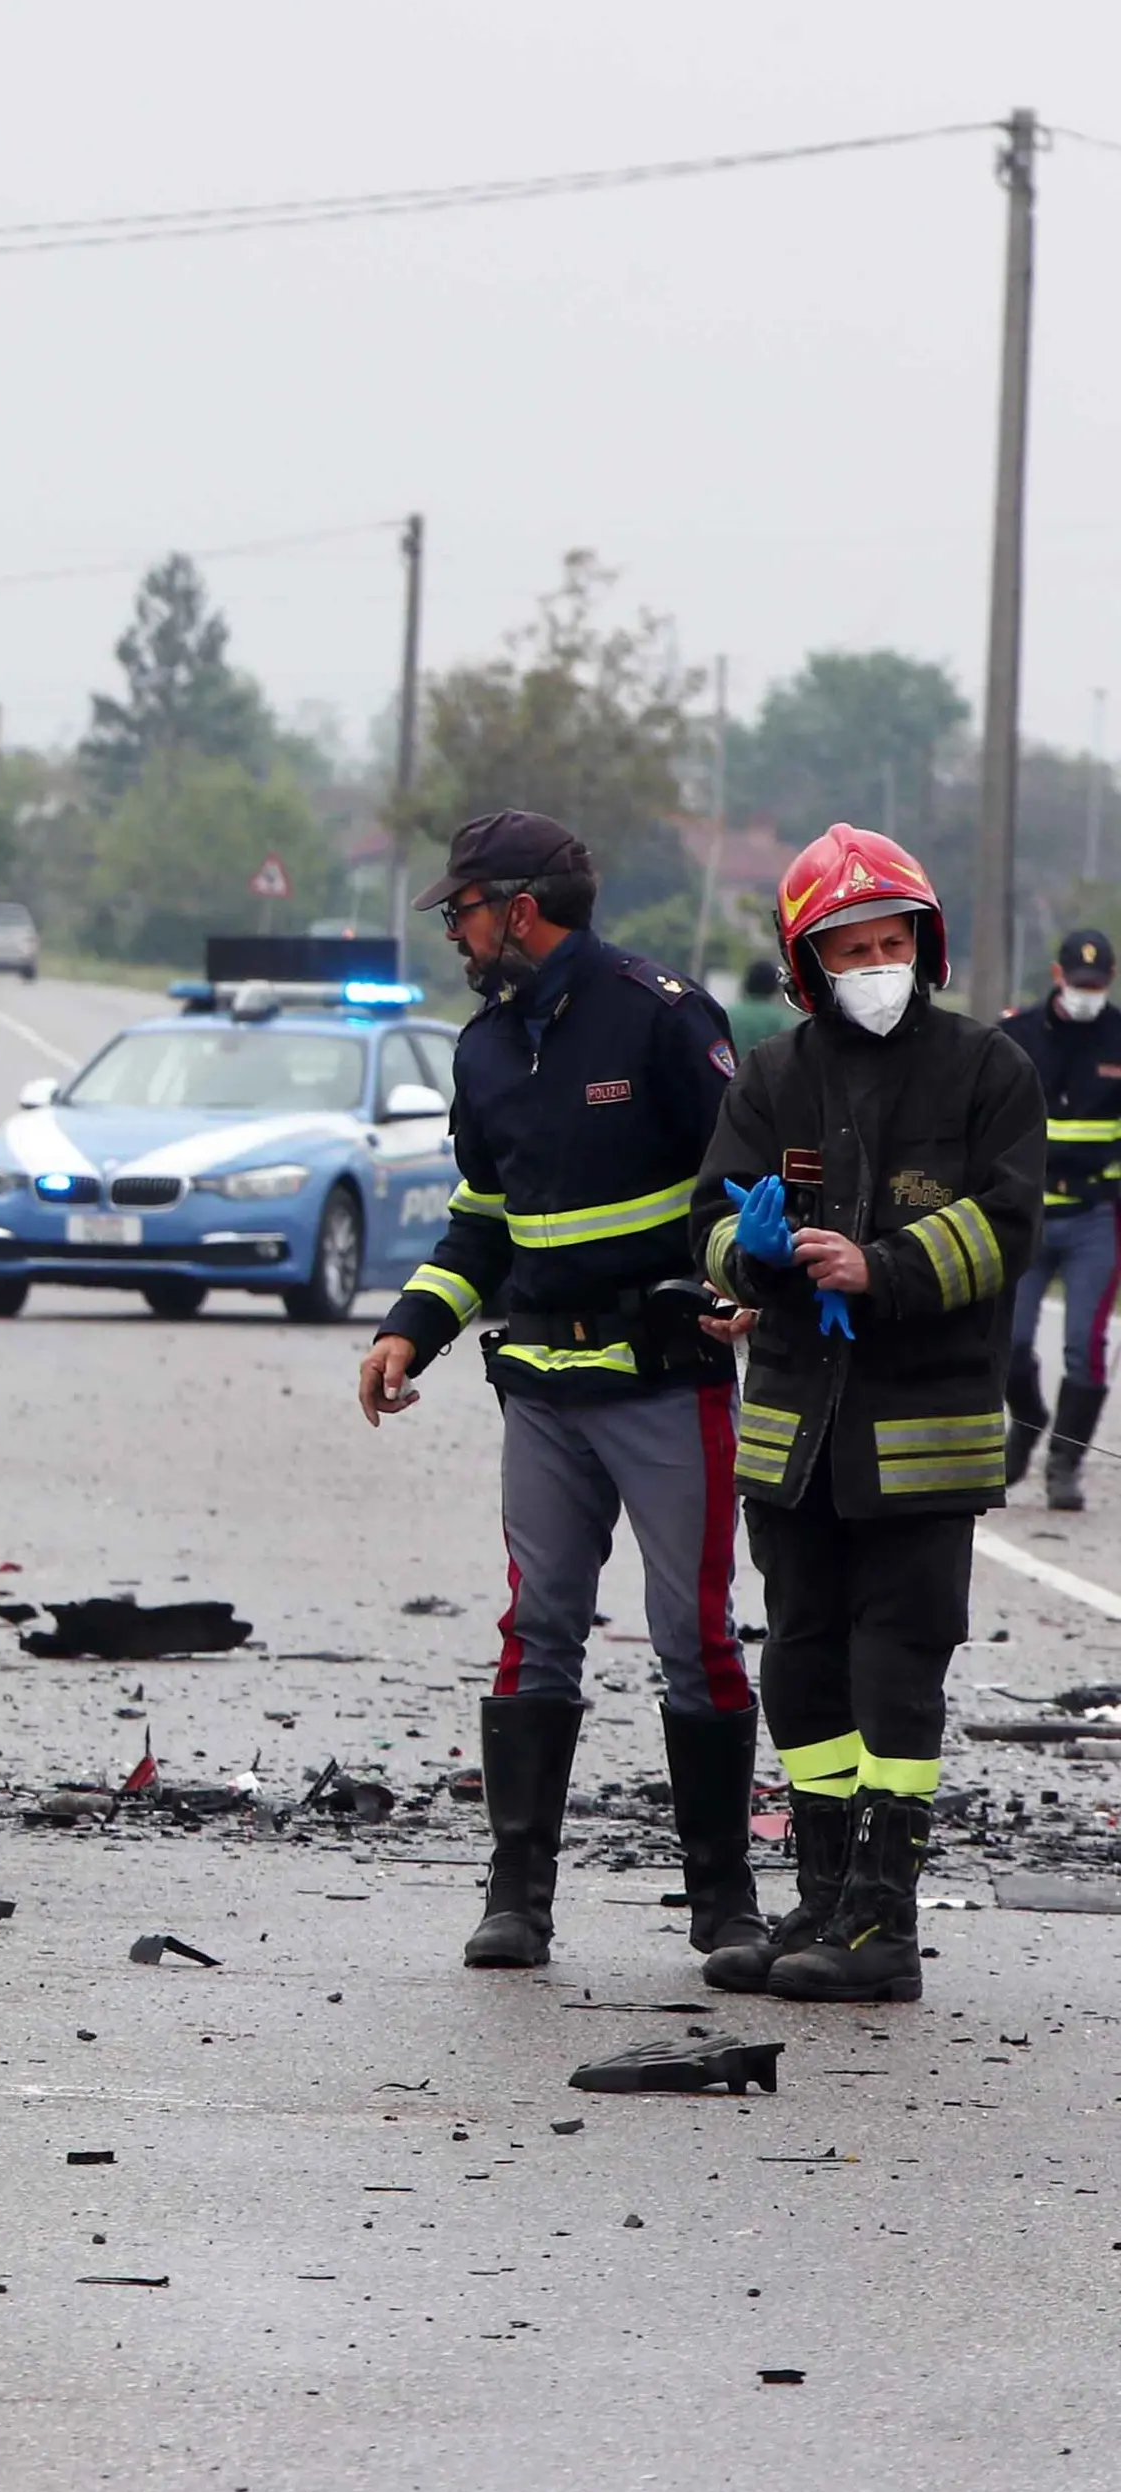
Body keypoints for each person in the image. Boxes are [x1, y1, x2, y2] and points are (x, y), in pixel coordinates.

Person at [357, 811, 759, 1970]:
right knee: (537, 1631)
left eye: (463, 911)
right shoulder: (481, 1050)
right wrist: (408, 1329)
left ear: (520, 908)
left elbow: (733, 1187)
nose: (455, 934)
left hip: (663, 1383)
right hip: (538, 1388)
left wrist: (735, 1278)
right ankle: (516, 1899)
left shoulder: (665, 1017)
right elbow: (481, 1222)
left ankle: (723, 1907)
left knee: (694, 1637)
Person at [693, 828, 1038, 2003]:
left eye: (892, 943)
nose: (875, 965)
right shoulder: (772, 1073)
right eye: (851, 949)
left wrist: (878, 1267)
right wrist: (746, 1254)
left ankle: (884, 1925)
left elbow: (1006, 1224)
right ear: (807, 965)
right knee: (799, 1663)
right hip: (797, 1433)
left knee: (896, 1669)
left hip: (922, 1437)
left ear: (924, 947)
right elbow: (709, 1222)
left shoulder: (986, 1070)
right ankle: (824, 1898)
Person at [1000, 926, 1121, 1507]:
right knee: (1010, 1340)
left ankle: (1065, 1463)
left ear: (1111, 982)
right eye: (1078, 982)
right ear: (1057, 977)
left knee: (1085, 1344)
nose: (1086, 992)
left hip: (1097, 1216)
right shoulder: (1016, 1035)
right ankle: (1026, 1420)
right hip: (1028, 1215)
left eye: (1096, 984)